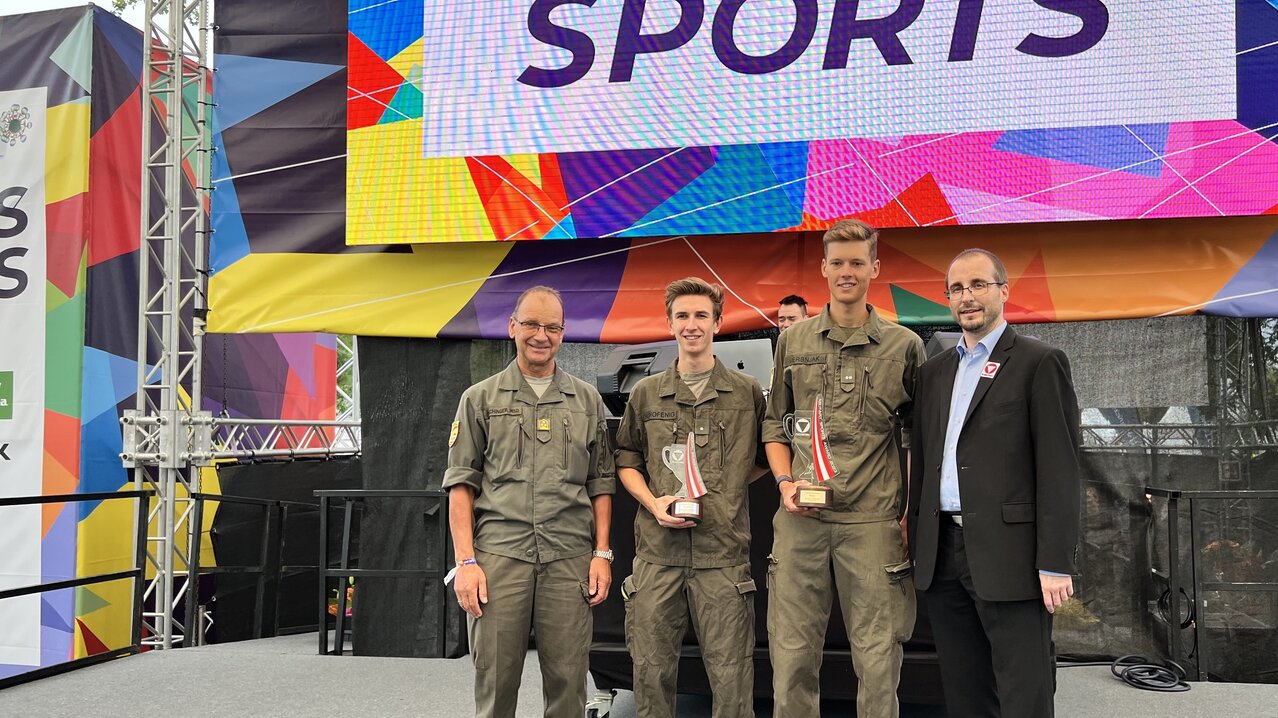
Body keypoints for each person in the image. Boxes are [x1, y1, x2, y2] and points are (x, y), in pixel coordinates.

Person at [908, 249, 1081, 717]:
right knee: (965, 691)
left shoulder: (1039, 363)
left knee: (1024, 690)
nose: (967, 297)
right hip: (942, 555)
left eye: (978, 284)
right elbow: (922, 464)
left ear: (1004, 291)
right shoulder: (933, 373)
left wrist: (1055, 561)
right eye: (957, 288)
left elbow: (1060, 468)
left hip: (1013, 557)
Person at [762, 219, 925, 718]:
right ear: (824, 268)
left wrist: (907, 513)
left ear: (875, 268)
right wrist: (786, 483)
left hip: (871, 523)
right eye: (838, 263)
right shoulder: (794, 341)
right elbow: (775, 425)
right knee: (791, 655)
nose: (847, 272)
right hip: (801, 521)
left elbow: (919, 438)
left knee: (878, 659)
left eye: (857, 262)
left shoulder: (905, 346)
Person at [444, 286, 616, 718]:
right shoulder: (479, 399)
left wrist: (601, 554)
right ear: (512, 327)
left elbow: (601, 484)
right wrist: (465, 564)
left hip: (568, 560)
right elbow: (461, 485)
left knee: (568, 685)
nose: (541, 335)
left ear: (563, 333)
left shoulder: (587, 401)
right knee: (495, 684)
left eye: (552, 327)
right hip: (500, 560)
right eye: (532, 325)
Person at [614, 277, 768, 718]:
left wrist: (731, 485)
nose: (692, 324)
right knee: (650, 675)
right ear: (669, 323)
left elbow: (764, 455)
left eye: (701, 315)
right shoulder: (645, 393)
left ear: (718, 322)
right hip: (658, 557)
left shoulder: (746, 392)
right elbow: (627, 459)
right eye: (682, 316)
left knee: (732, 680)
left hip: (722, 558)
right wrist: (654, 503)